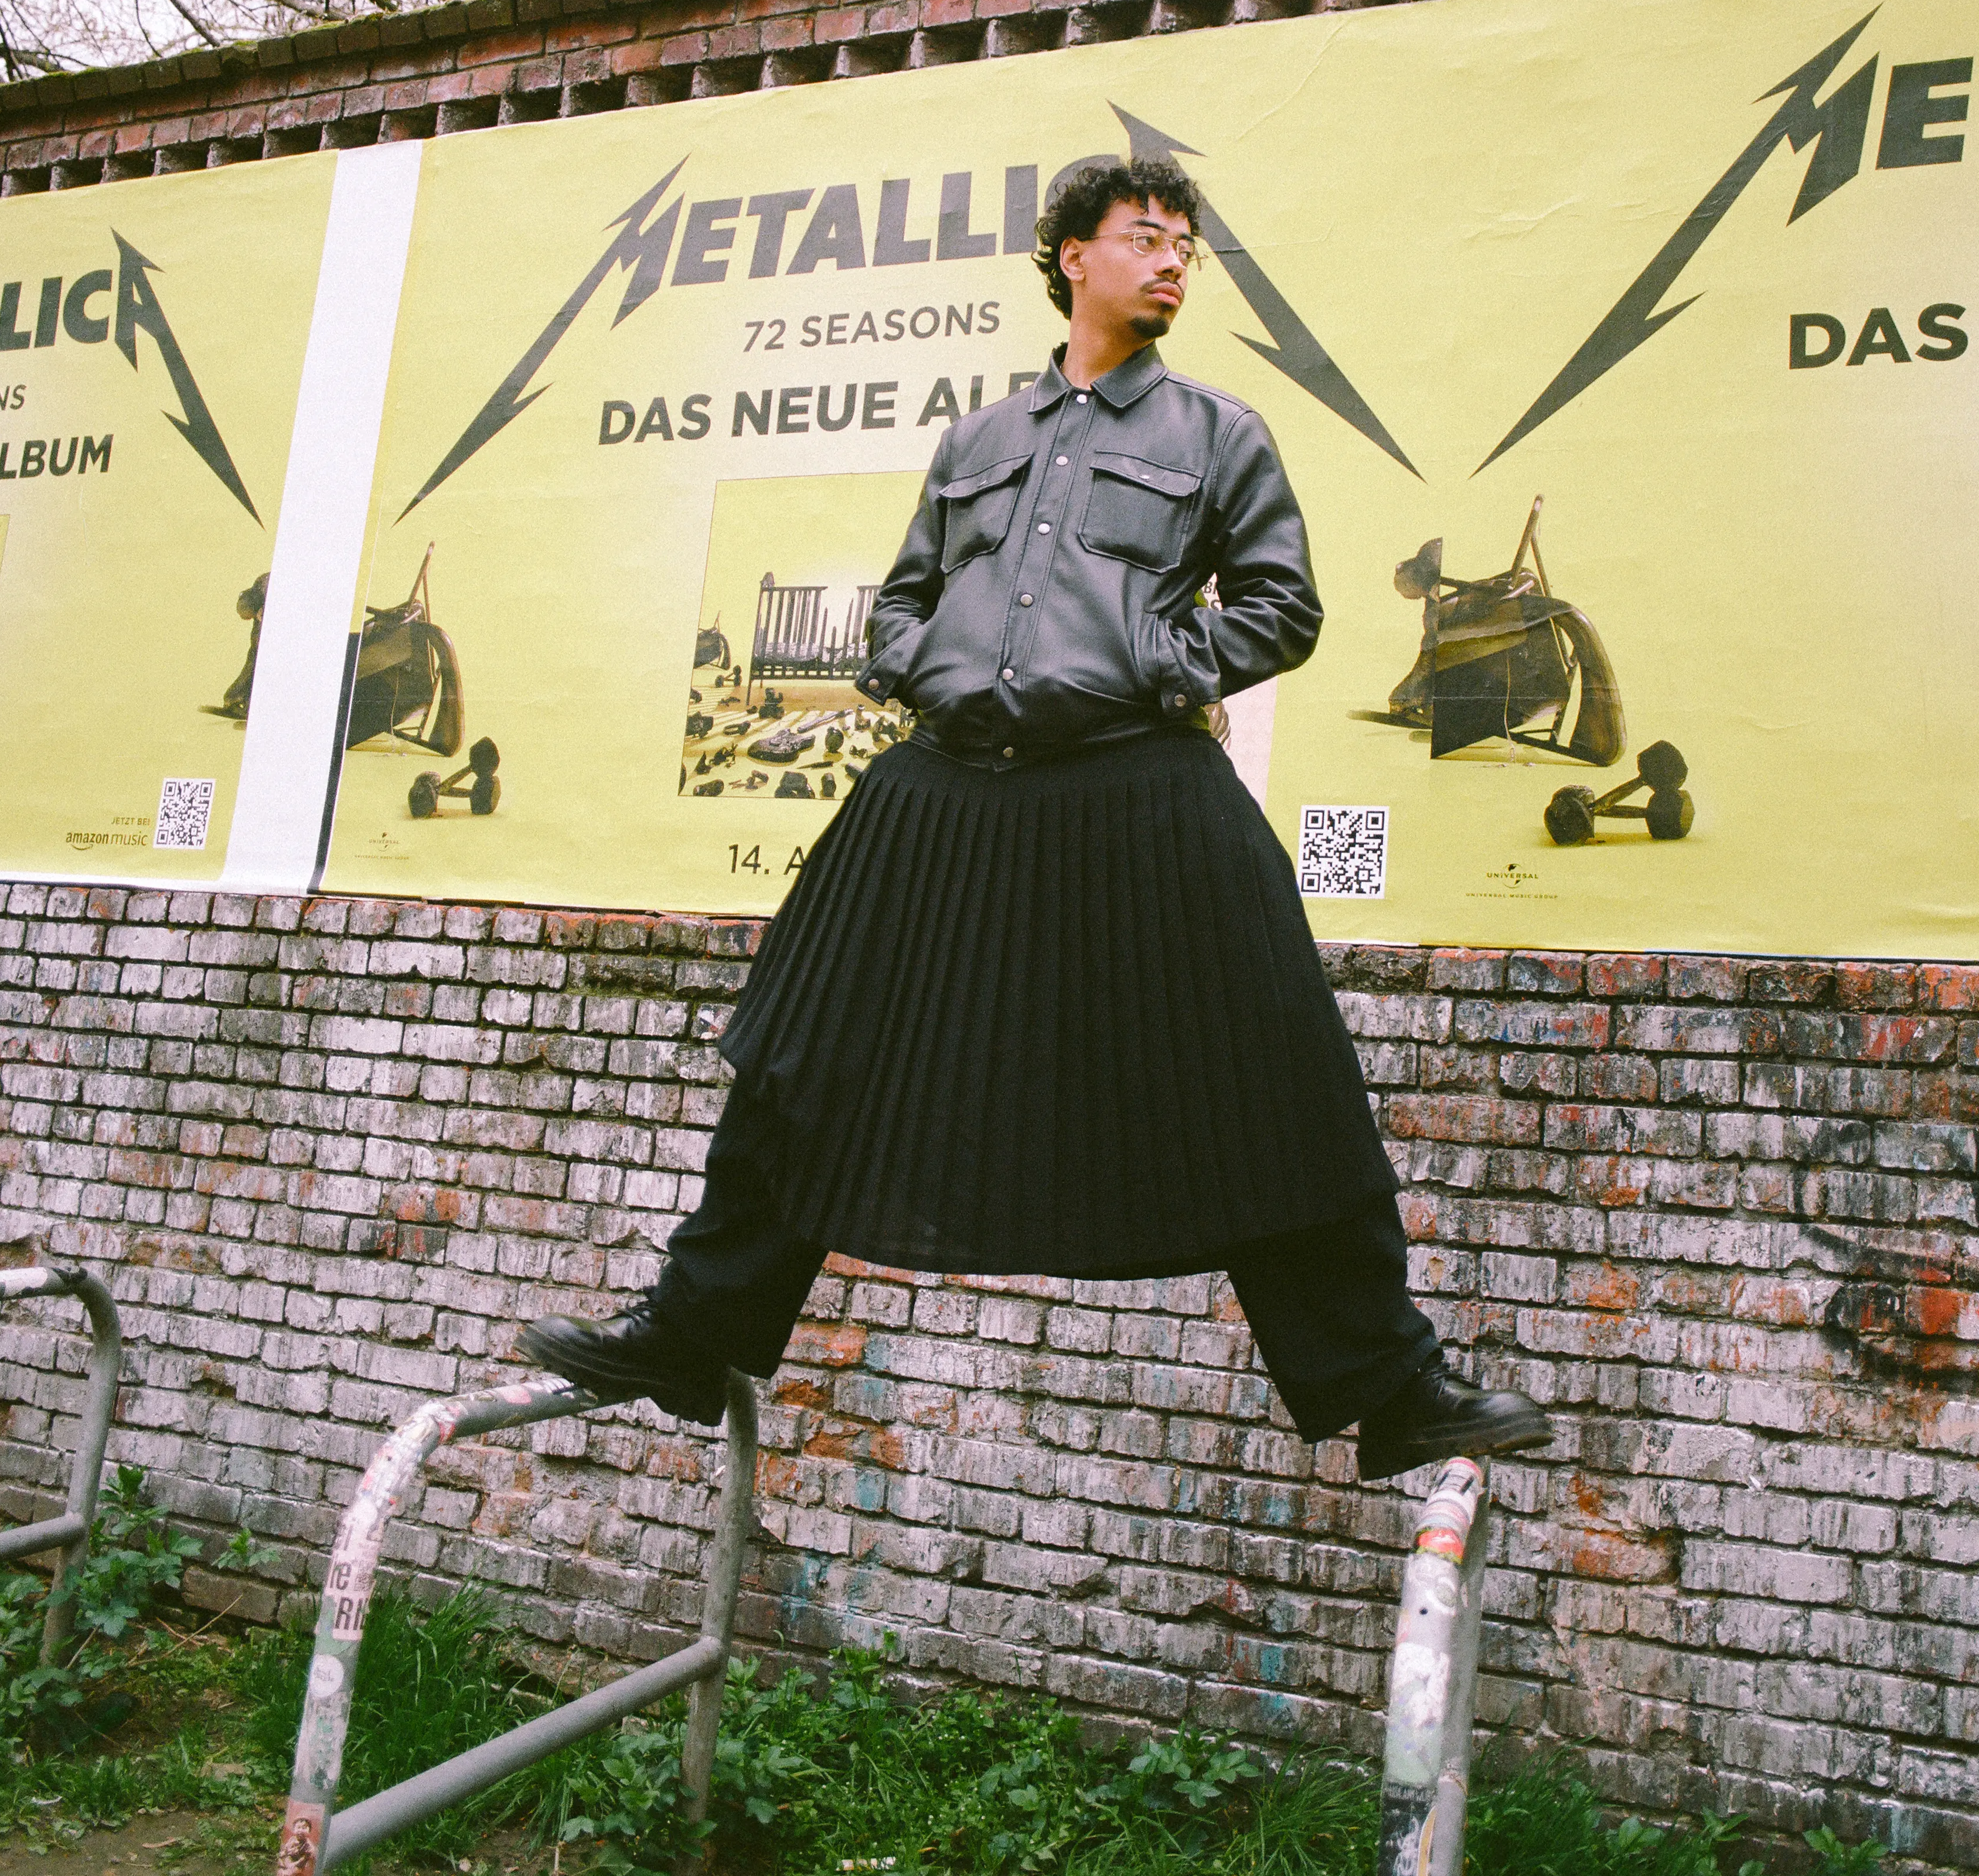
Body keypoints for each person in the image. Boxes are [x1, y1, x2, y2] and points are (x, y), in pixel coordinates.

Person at [519, 156, 1548, 1483]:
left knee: (1274, 1070)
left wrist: (1155, 667)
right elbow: (900, 597)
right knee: (801, 1056)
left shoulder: (1218, 434)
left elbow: (1283, 610)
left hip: (1138, 785)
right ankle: (690, 1333)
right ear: (1072, 255)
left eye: (1187, 246)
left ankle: (1391, 1390)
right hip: (941, 790)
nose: (1173, 263)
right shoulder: (979, 440)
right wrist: (920, 662)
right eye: (1145, 238)